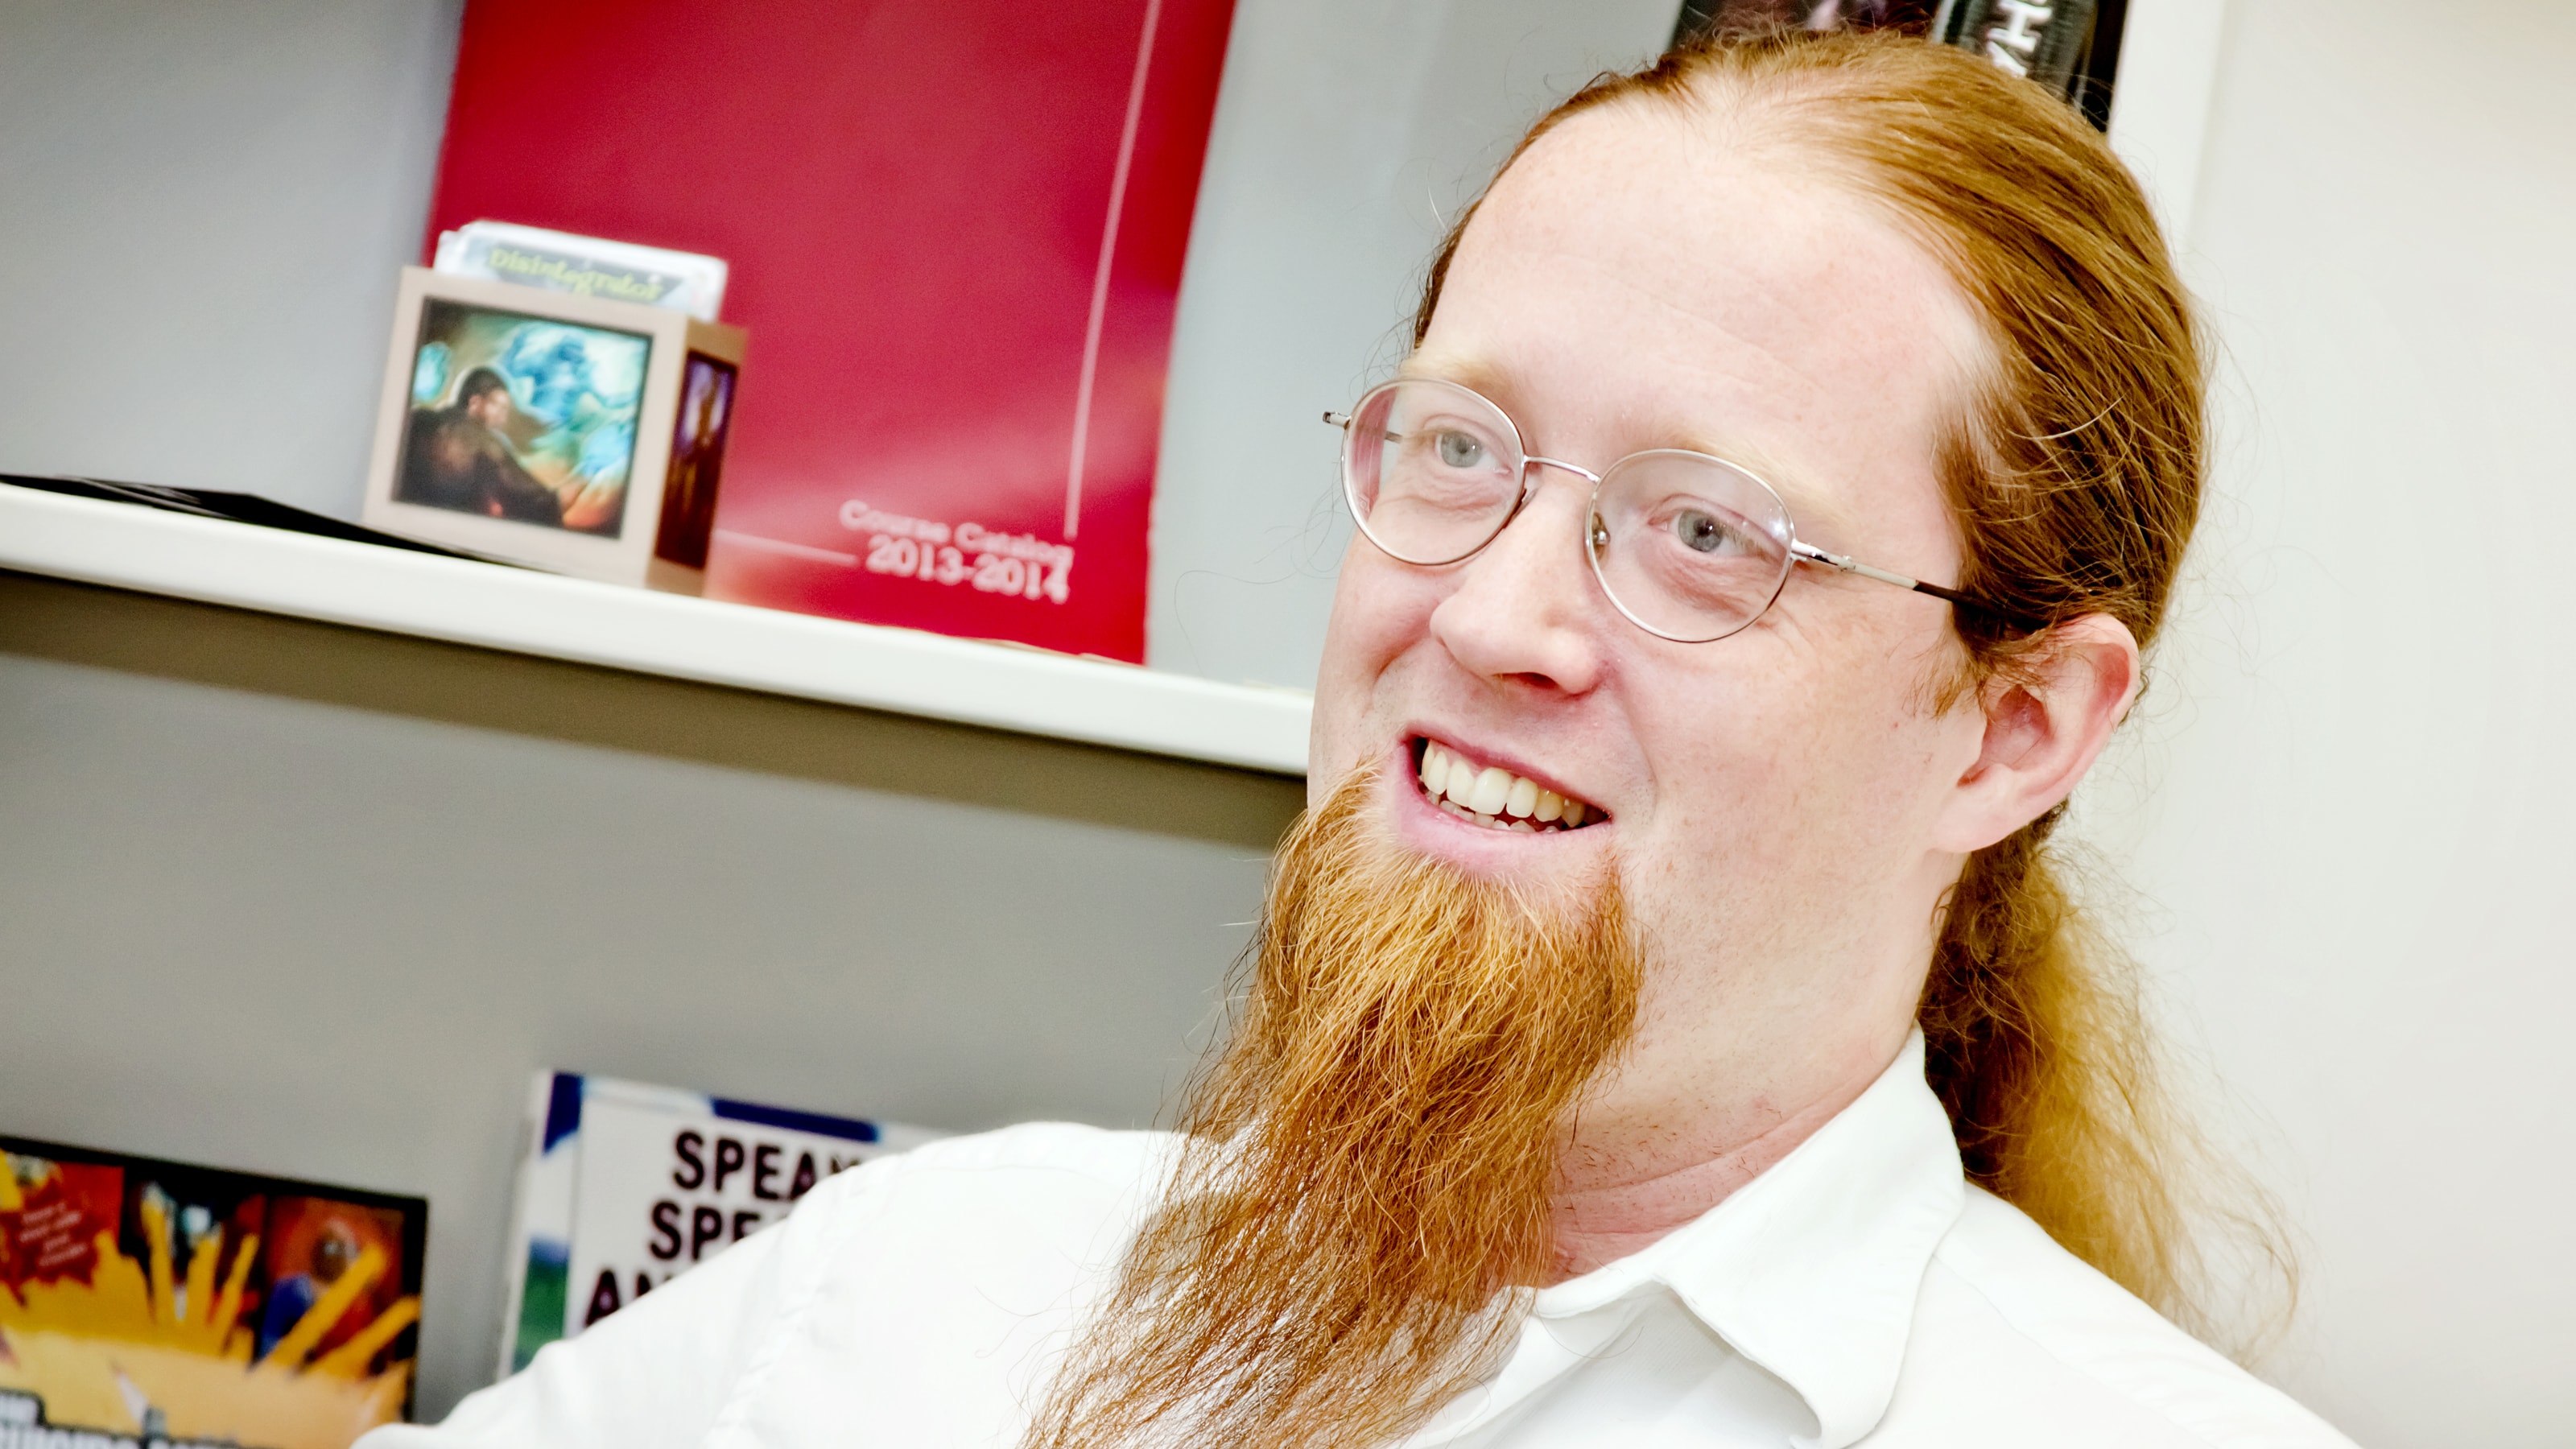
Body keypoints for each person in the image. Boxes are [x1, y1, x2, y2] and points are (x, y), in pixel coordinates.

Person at [365, 31, 2355, 1449]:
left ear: (2012, 730)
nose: (1487, 617)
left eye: (1702, 535)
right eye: (1459, 450)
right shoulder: (897, 1301)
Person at [395, 367, 566, 526]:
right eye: (497, 406)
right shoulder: (486, 442)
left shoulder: (416, 418)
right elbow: (534, 498)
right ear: (475, 403)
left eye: (504, 409)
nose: (502, 417)